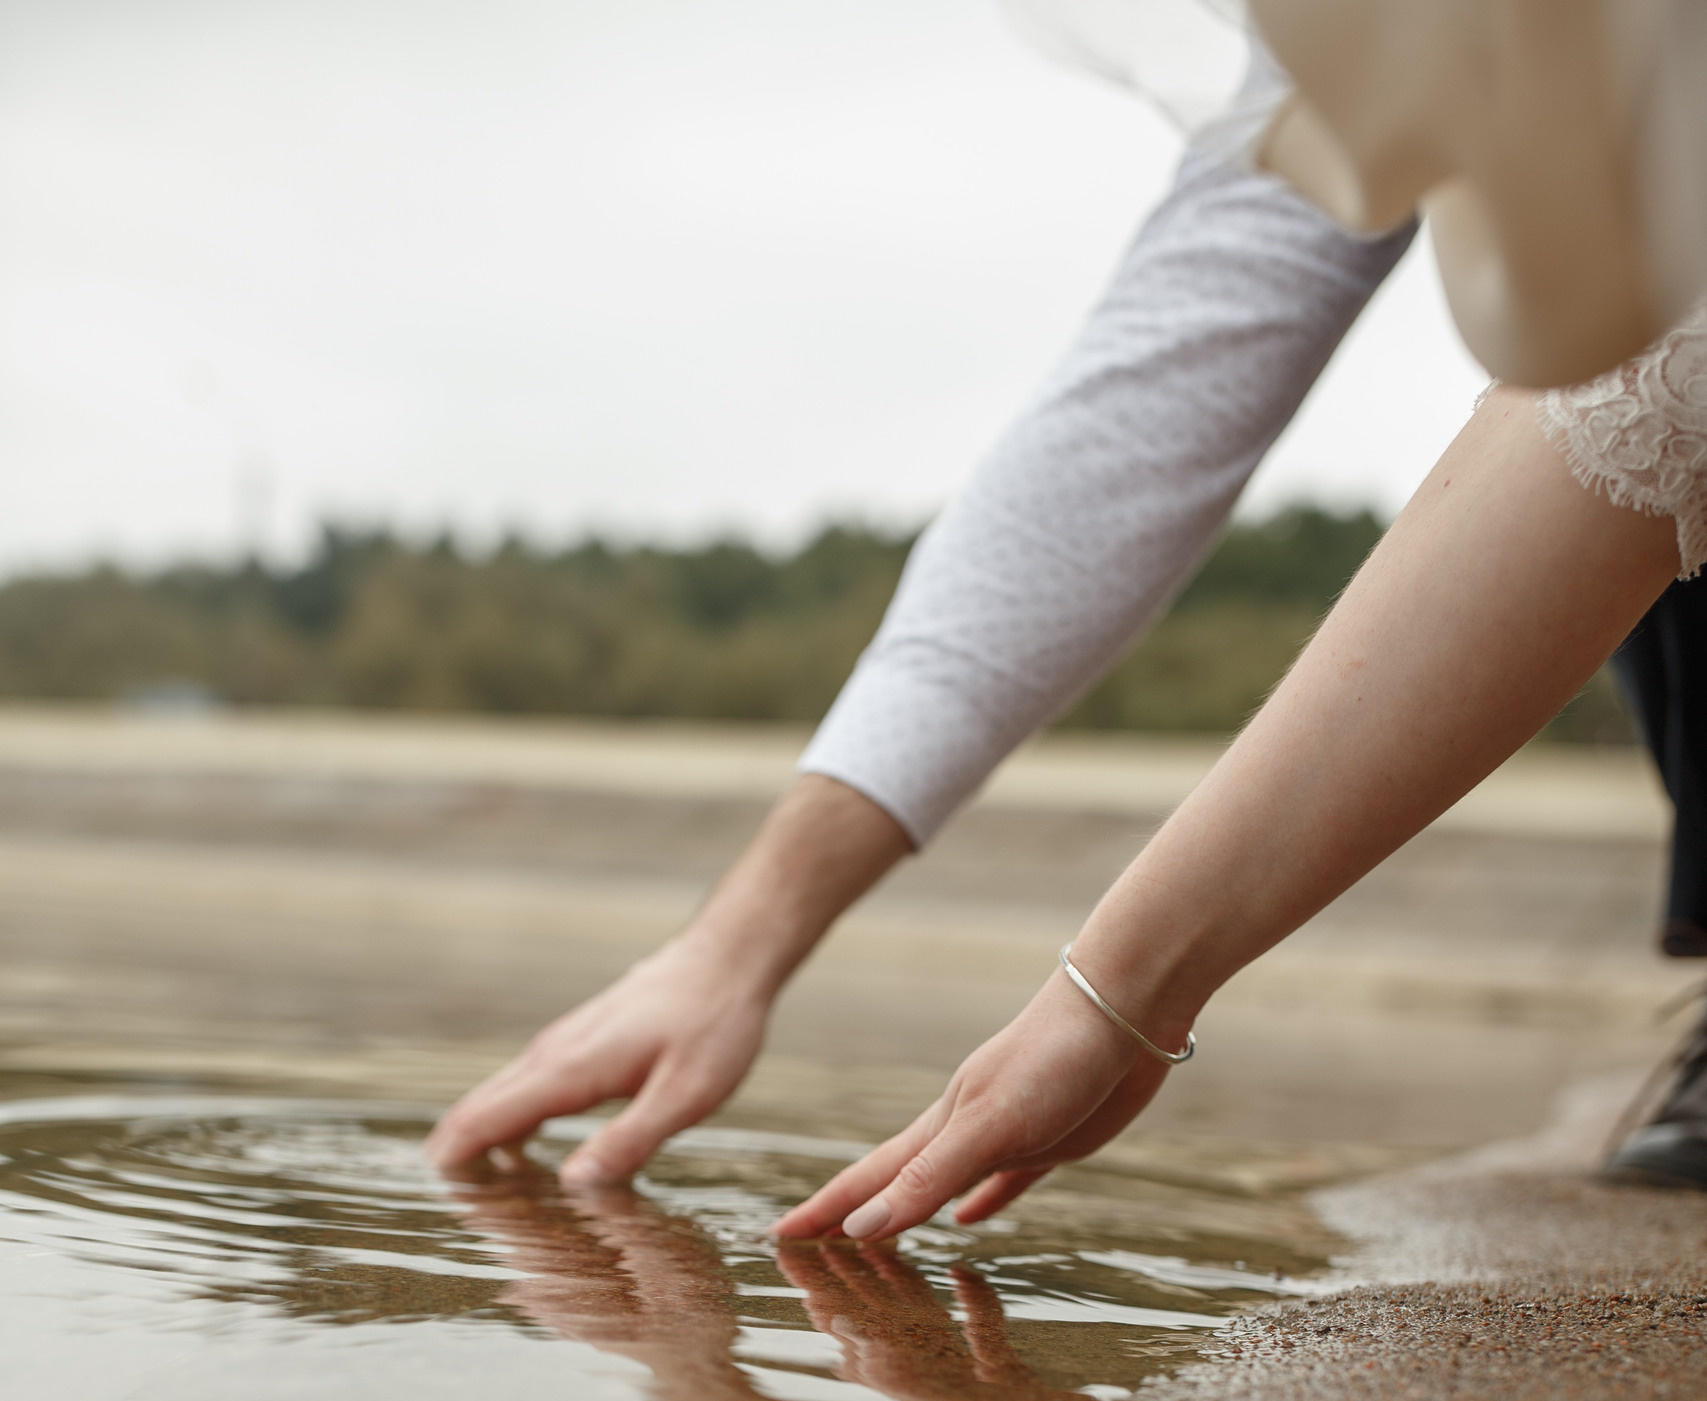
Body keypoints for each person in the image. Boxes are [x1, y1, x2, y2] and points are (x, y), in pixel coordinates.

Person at [426, 61, 1707, 1206]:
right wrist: (734, 944)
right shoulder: (1352, 38)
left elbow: (1651, 383)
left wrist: (1122, 992)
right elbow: (1132, 424)